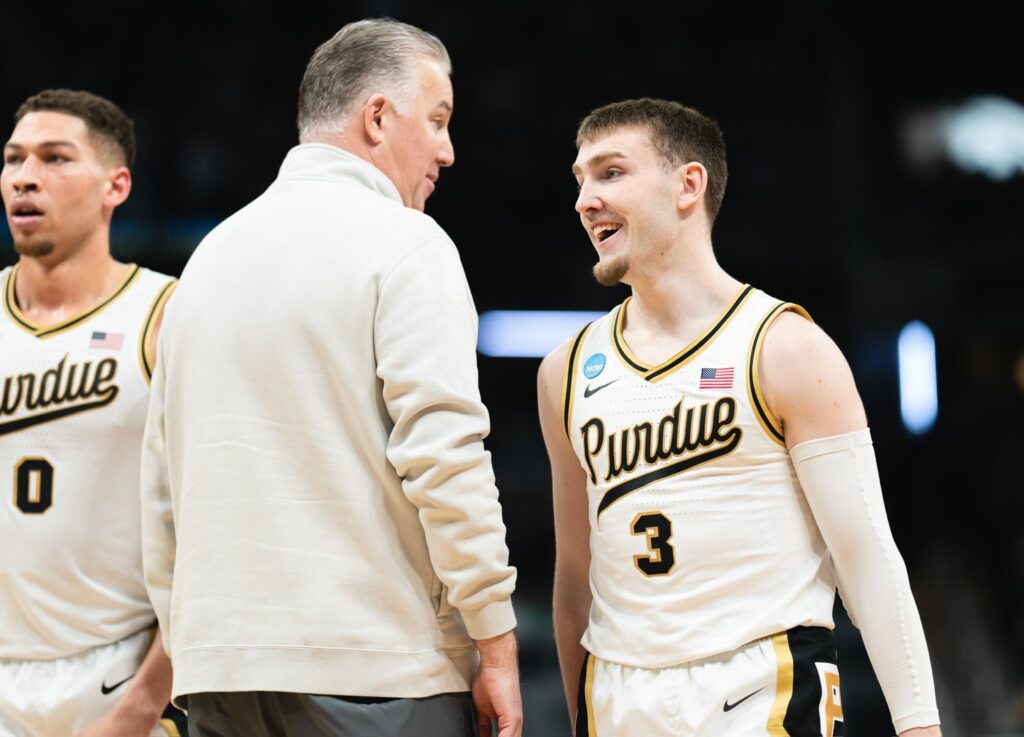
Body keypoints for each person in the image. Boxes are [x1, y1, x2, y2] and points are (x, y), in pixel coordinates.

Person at [140, 18, 522, 737]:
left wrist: (198, 646)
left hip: (221, 672)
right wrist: (496, 641)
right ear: (377, 116)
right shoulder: (408, 243)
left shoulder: (208, 260)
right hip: (376, 670)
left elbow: (162, 484)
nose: (447, 149)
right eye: (436, 120)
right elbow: (445, 460)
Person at [537, 98, 942, 737]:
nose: (585, 199)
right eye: (580, 179)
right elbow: (574, 579)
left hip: (763, 685)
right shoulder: (564, 370)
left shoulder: (787, 347)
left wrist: (920, 727)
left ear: (687, 186)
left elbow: (867, 559)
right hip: (619, 694)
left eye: (610, 173)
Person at [0, 90, 182, 737]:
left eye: (54, 158)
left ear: (116, 185)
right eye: (14, 158)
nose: (25, 175)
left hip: (121, 674)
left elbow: (216, 526)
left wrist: (143, 703)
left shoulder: (169, 314)